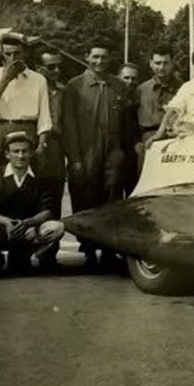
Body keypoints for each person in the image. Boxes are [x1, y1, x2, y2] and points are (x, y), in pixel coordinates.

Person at [62, 43, 127, 272]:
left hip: (112, 152)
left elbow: (126, 124)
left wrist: (122, 153)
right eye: (95, 56)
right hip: (86, 151)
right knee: (85, 200)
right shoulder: (75, 86)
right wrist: (75, 158)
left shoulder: (119, 86)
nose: (100, 61)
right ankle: (88, 252)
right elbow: (68, 125)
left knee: (112, 200)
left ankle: (109, 252)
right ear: (87, 57)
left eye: (104, 57)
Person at [0, 131, 65, 276]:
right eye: (16, 151)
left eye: (25, 151)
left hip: (30, 230)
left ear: (31, 153)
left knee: (56, 227)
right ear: (7, 154)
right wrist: (6, 222)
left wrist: (29, 223)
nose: (21, 156)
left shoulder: (43, 177)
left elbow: (48, 210)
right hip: (2, 230)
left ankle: (33, 256)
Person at [0, 32, 52, 187]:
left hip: (27, 130)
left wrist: (42, 144)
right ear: (2, 54)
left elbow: (44, 117)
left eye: (17, 53)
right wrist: (5, 79)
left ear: (25, 52)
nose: (12, 58)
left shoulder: (38, 79)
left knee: (28, 180)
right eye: (7, 54)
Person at [35, 51, 67, 266]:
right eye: (50, 67)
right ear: (39, 67)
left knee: (54, 196)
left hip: (56, 149)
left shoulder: (63, 91)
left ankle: (49, 254)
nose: (56, 71)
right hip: (34, 148)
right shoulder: (32, 88)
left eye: (58, 66)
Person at [134, 47, 181, 150]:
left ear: (172, 63)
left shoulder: (183, 88)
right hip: (147, 140)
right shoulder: (141, 90)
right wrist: (136, 142)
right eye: (157, 63)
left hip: (175, 139)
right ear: (151, 63)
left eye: (166, 63)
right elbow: (132, 120)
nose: (161, 67)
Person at [118, 62, 142, 197]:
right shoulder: (111, 99)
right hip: (115, 153)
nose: (130, 82)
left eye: (134, 78)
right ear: (118, 78)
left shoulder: (139, 101)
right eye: (126, 78)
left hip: (133, 155)